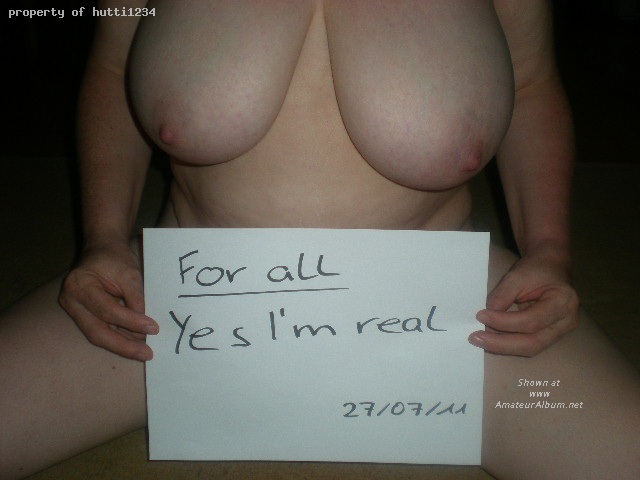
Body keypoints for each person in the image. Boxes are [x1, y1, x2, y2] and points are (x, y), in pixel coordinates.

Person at [1, 0, 639, 478]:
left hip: (457, 320)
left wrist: (549, 249)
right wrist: (103, 238)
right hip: (168, 310)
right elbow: (114, 67)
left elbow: (530, 83)